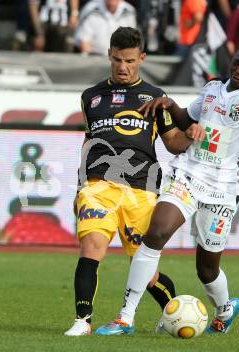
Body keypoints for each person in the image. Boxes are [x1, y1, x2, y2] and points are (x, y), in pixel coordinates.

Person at [96, 37, 239, 335]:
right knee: (156, 233)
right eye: (236, 62)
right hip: (188, 174)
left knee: (207, 269)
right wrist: (170, 105)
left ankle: (225, 308)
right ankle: (126, 317)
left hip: (225, 189)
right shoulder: (213, 88)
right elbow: (187, 118)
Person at [64, 26, 200, 336]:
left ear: (141, 58)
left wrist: (192, 135)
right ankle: (82, 321)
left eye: (128, 61)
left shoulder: (155, 98)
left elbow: (174, 144)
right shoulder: (91, 97)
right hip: (98, 186)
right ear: (109, 56)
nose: (122, 68)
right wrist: (79, 186)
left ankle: (177, 313)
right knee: (92, 247)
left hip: (142, 187)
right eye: (116, 60)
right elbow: (88, 143)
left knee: (147, 273)